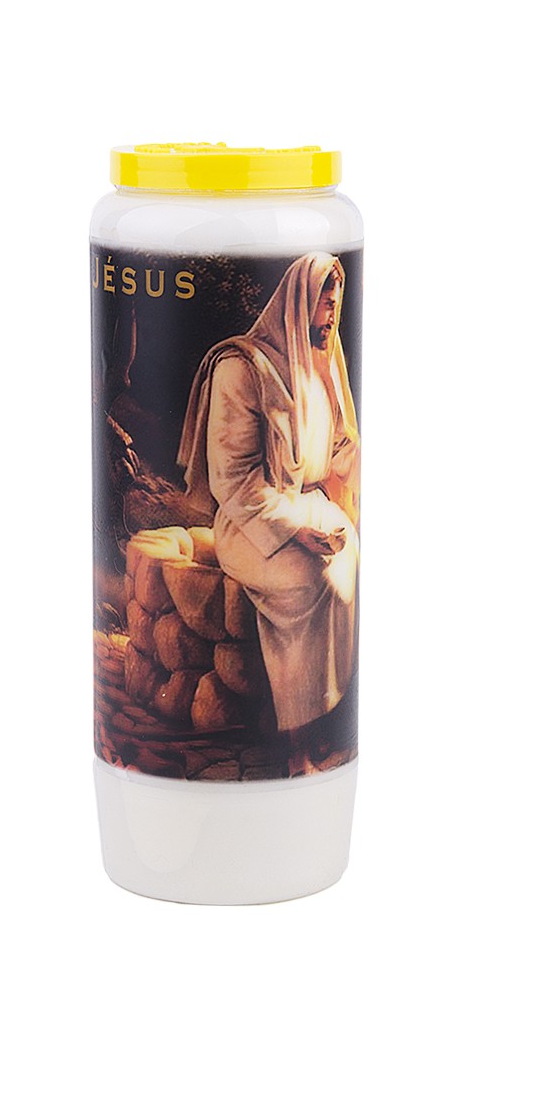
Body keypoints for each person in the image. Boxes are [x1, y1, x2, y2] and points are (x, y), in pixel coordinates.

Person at [177, 252, 360, 745]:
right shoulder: (242, 368)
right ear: (297, 301)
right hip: (252, 522)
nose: (331, 315)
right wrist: (295, 529)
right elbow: (233, 480)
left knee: (349, 565)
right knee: (309, 579)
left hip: (311, 509)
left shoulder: (324, 364)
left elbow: (340, 446)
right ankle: (297, 739)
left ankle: (332, 725)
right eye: (322, 302)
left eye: (336, 303)